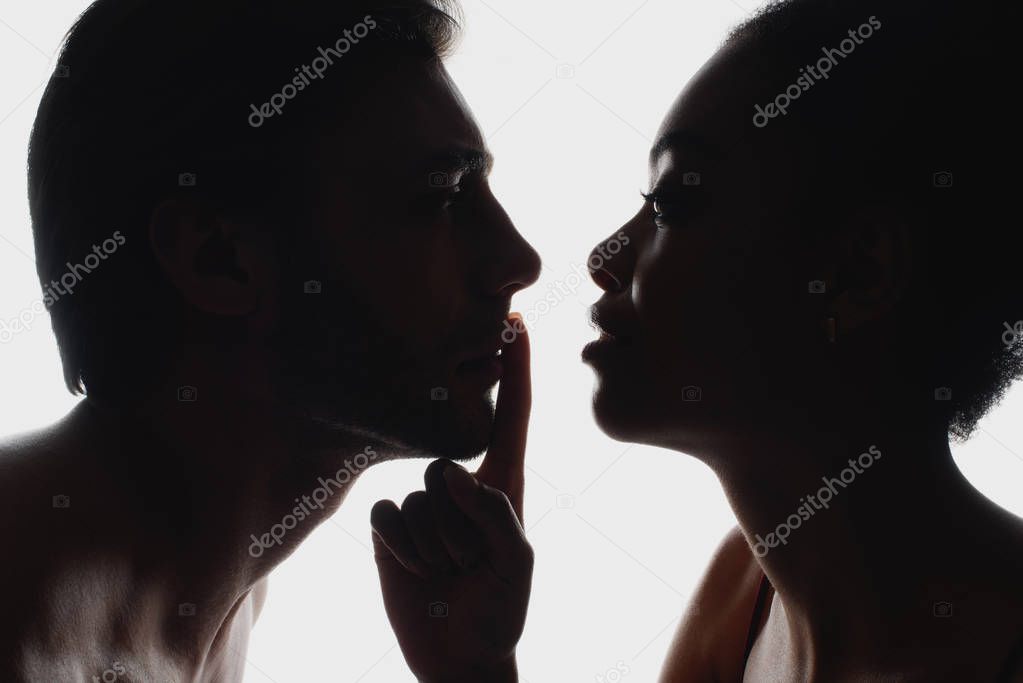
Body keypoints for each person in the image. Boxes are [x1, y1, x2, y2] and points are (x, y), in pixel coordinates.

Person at [378, 0, 1023, 680]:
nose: (604, 256)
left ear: (858, 270)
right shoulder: (743, 591)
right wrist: (476, 667)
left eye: (673, 203)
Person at [0, 0, 539, 680]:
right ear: (217, 258)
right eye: (441, 197)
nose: (518, 261)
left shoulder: (215, 602)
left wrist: (475, 671)